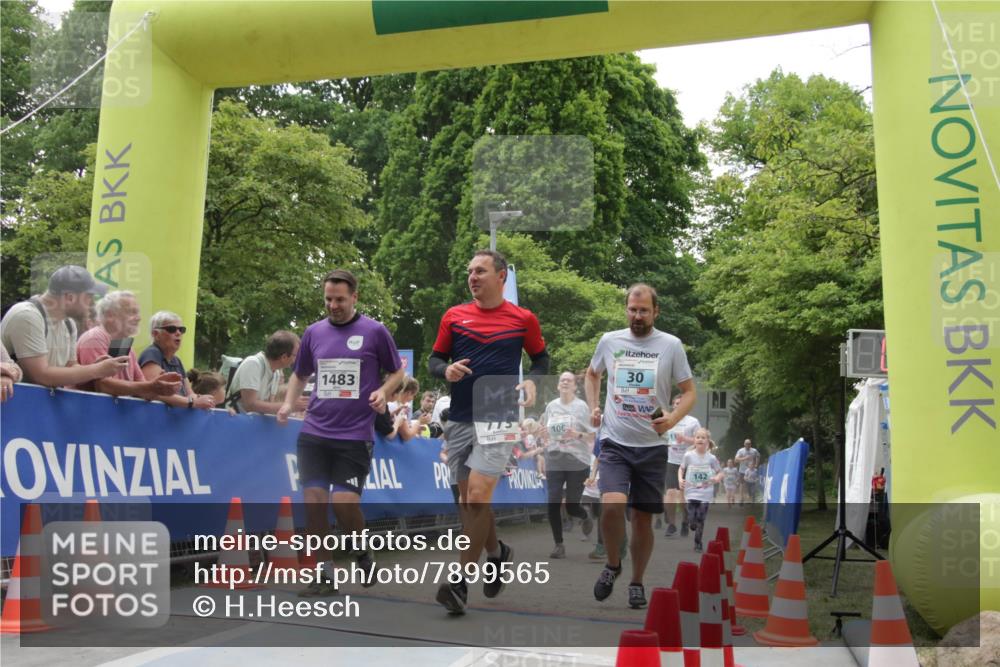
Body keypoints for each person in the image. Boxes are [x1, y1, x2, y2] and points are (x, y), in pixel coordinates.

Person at [430, 249, 549, 615]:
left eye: (480, 271)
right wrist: (444, 371)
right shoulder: (454, 316)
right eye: (470, 272)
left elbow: (540, 358)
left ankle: (460, 583)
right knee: (469, 505)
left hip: (498, 415)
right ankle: (498, 553)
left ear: (501, 277)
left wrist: (531, 383)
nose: (473, 277)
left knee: (479, 498)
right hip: (461, 418)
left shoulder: (522, 318)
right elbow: (435, 359)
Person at [276, 269, 404, 597]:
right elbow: (299, 375)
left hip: (354, 435)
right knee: (315, 503)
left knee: (344, 503)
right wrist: (289, 404)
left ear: (355, 298)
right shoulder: (314, 333)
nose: (333, 305)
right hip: (315, 431)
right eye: (328, 299)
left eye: (340, 300)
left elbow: (397, 371)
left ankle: (361, 551)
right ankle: (324, 574)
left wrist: (383, 392)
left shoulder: (374, 331)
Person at [586, 283, 696, 609]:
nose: (637, 316)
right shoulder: (610, 340)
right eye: (632, 310)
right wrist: (594, 405)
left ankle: (636, 581)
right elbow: (592, 375)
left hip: (652, 445)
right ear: (626, 310)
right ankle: (612, 564)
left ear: (655, 311)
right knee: (611, 505)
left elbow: (689, 392)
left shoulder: (671, 345)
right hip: (615, 442)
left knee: (643, 520)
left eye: (644, 310)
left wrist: (673, 419)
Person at [1, 265, 128, 387]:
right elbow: (41, 376)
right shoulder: (27, 316)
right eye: (89, 297)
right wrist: (96, 370)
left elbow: (70, 368)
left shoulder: (68, 324)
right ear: (70, 297)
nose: (92, 303)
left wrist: (94, 369)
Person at [76, 290, 182, 400]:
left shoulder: (125, 346)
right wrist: (151, 386)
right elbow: (104, 386)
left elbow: (143, 391)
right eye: (132, 312)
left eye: (137, 312)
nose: (139, 318)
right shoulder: (94, 338)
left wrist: (162, 387)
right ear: (110, 315)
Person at [541, 371, 596, 558]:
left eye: (569, 380)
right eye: (562, 380)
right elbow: (545, 431)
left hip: (577, 460)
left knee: (572, 505)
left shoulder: (582, 407)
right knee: (553, 501)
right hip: (555, 458)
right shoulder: (551, 407)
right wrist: (544, 435)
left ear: (575, 386)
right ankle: (559, 545)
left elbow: (592, 435)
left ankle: (584, 515)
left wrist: (577, 435)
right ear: (558, 385)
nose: (564, 382)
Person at [138, 312, 216, 410]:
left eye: (181, 329)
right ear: (155, 334)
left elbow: (190, 394)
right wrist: (192, 402)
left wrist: (206, 400)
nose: (178, 333)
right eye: (171, 329)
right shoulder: (151, 353)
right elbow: (154, 392)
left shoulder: (176, 360)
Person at [227, 330, 304, 415]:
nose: (297, 359)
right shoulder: (253, 364)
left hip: (253, 424)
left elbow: (268, 406)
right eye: (296, 355)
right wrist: (289, 406)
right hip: (234, 422)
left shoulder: (276, 373)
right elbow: (249, 405)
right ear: (284, 357)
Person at [662, 393, 701, 538]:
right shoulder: (666, 419)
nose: (678, 405)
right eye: (676, 403)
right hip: (671, 461)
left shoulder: (693, 422)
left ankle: (685, 521)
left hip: (688, 462)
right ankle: (672, 524)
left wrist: (684, 438)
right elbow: (656, 434)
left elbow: (700, 441)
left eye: (681, 403)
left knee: (684, 496)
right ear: (673, 405)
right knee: (671, 493)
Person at [679, 427, 724, 552]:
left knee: (701, 518)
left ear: (708, 441)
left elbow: (720, 472)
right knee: (692, 518)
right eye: (698, 437)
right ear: (694, 440)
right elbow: (681, 468)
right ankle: (690, 522)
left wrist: (716, 478)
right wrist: (680, 479)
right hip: (691, 491)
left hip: (705, 492)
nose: (700, 439)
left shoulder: (711, 458)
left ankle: (698, 542)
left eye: (703, 437)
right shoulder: (688, 456)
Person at [735, 439, 761, 505]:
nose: (748, 445)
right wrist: (745, 458)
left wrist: (756, 464)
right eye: (746, 443)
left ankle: (749, 499)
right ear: (744, 444)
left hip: (751, 471)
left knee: (749, 486)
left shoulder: (754, 450)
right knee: (742, 485)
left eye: (749, 443)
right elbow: (736, 459)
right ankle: (741, 499)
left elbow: (758, 456)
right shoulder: (741, 450)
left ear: (750, 444)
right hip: (742, 470)